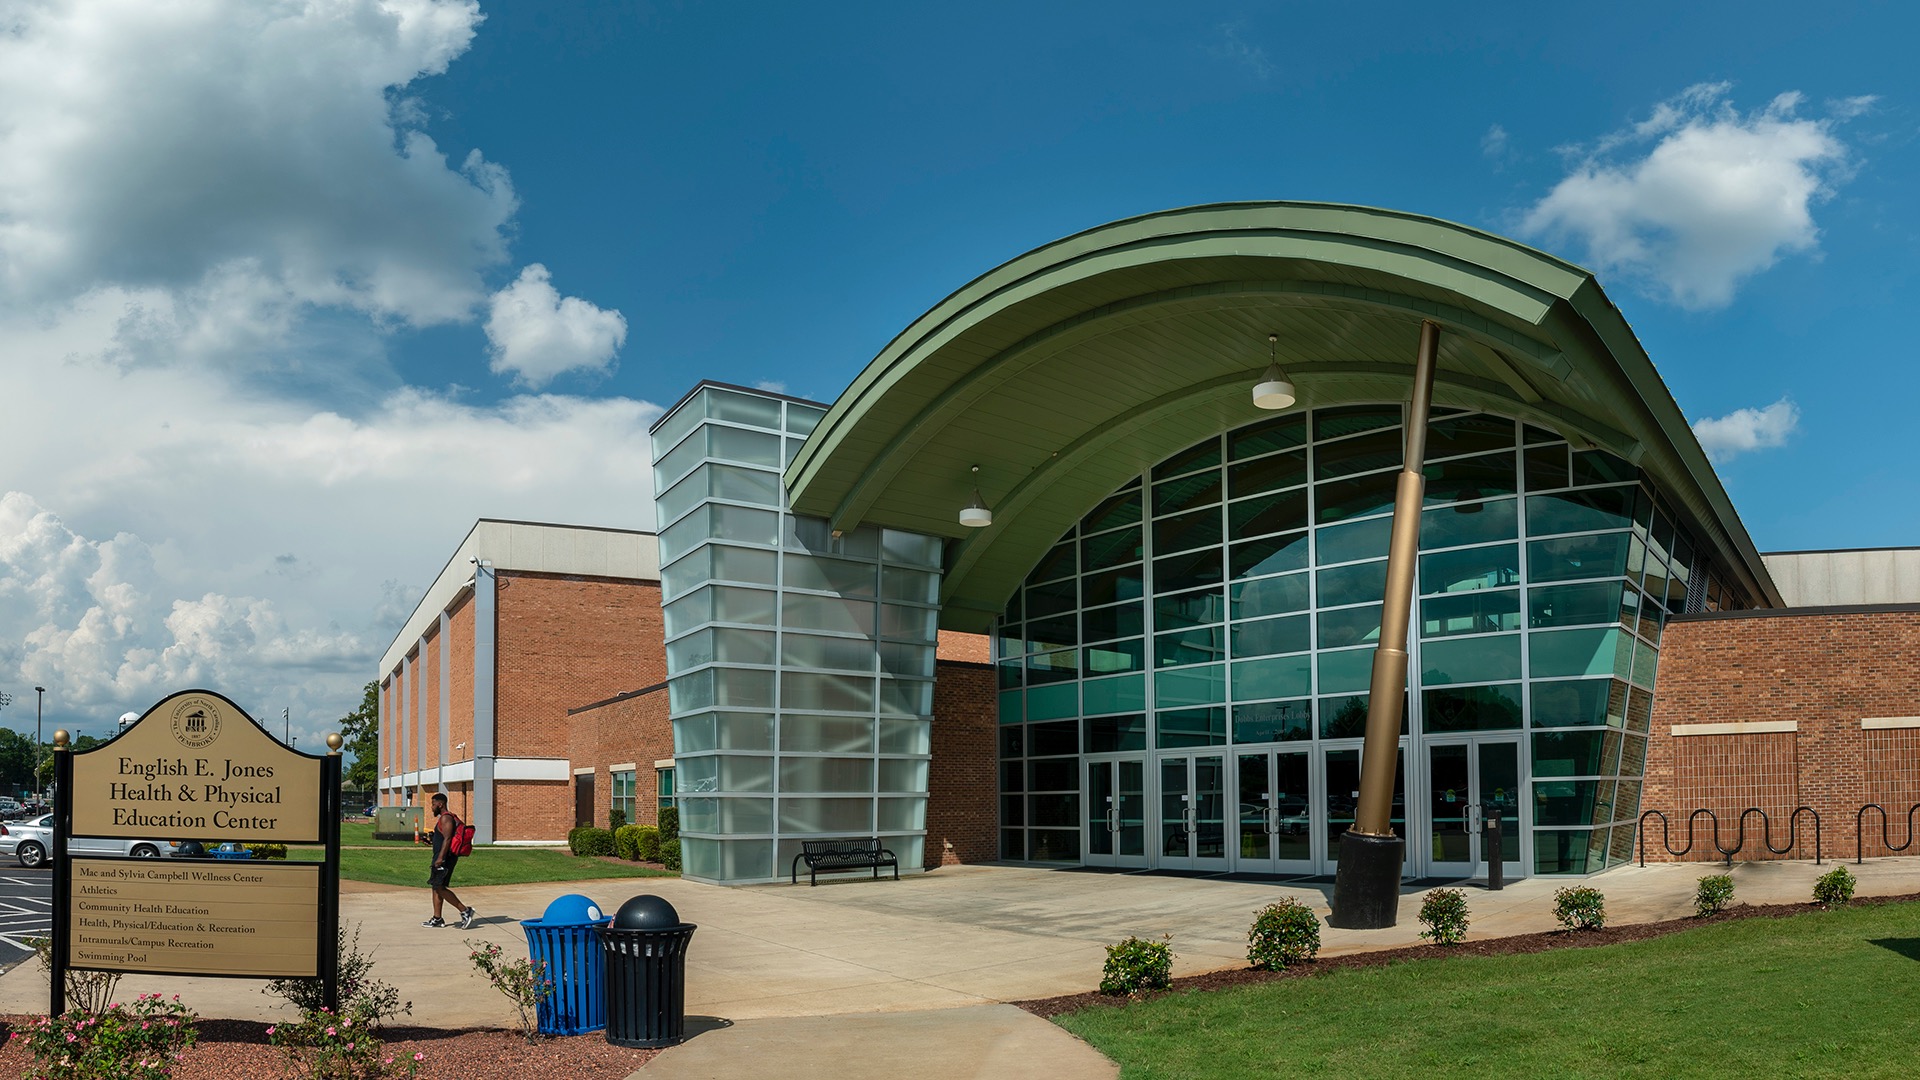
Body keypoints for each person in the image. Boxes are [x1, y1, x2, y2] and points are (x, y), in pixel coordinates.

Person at [420, 792, 476, 929]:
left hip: (445, 858)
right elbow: (443, 838)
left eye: (433, 804)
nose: (432, 808)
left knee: (440, 887)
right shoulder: (444, 819)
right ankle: (437, 918)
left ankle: (465, 910)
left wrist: (440, 858)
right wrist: (431, 841)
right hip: (441, 856)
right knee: (435, 886)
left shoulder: (446, 818)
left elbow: (448, 839)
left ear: (440, 804)